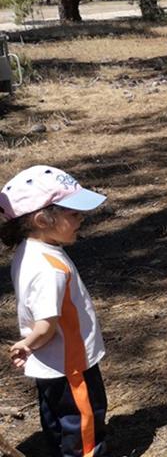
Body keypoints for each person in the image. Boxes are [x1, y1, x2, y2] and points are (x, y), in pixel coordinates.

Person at [1, 166, 108, 457]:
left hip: (49, 364)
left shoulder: (28, 251)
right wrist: (28, 343)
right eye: (73, 214)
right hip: (71, 362)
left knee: (57, 418)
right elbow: (46, 324)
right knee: (83, 420)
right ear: (41, 219)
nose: (81, 218)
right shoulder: (50, 270)